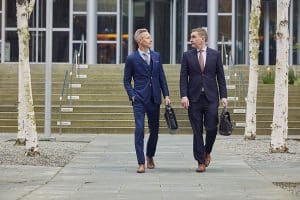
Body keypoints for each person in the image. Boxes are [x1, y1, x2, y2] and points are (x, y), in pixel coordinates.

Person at [180, 27, 228, 173]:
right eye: (191, 37)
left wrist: (224, 96)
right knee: (197, 131)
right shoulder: (187, 55)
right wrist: (184, 95)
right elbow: (183, 77)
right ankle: (200, 161)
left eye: (193, 37)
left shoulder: (215, 55)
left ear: (202, 38)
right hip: (193, 98)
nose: (191, 40)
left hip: (211, 97)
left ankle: (207, 151)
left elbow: (220, 77)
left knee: (212, 127)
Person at [123, 28, 171, 173]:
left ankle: (150, 155)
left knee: (154, 130)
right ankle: (141, 162)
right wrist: (132, 95)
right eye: (147, 37)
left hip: (154, 98)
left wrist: (166, 95)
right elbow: (126, 80)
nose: (150, 39)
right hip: (139, 99)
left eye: (150, 37)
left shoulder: (156, 56)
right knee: (139, 129)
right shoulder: (131, 58)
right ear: (140, 41)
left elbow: (161, 76)